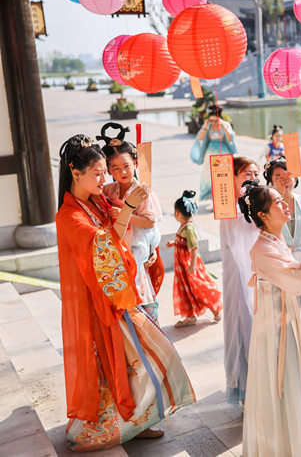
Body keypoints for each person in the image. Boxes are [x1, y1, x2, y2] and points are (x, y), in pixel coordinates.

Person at [55, 134, 194, 451]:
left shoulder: (95, 200)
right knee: (122, 364)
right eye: (98, 173)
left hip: (117, 293)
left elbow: (135, 226)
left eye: (105, 171)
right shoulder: (69, 215)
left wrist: (135, 207)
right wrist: (129, 208)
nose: (104, 178)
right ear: (75, 172)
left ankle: (140, 420)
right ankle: (120, 422)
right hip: (98, 301)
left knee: (147, 357)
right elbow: (103, 248)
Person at [240, 184, 301, 457]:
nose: (285, 203)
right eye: (276, 201)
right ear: (263, 215)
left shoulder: (275, 240)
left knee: (291, 381)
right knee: (281, 383)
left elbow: (299, 274)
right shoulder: (262, 248)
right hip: (276, 328)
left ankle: (294, 442)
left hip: (287, 320)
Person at [98, 122, 164, 321]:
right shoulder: (110, 190)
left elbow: (150, 222)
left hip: (137, 246)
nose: (123, 172)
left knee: (138, 286)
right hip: (119, 245)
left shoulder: (143, 192)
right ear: (109, 170)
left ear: (135, 163)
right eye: (116, 168)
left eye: (126, 166)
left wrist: (125, 214)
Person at [265, 157, 301, 372]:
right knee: (285, 314)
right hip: (281, 266)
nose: (284, 180)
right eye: (278, 177)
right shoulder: (268, 206)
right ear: (270, 181)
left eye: (287, 175)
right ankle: (290, 362)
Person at [220, 157, 260, 405]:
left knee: (259, 325)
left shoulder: (258, 200)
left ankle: (262, 383)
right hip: (237, 275)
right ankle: (245, 389)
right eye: (246, 172)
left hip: (259, 271)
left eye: (255, 172)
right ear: (233, 177)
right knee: (241, 325)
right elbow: (236, 243)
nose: (252, 177)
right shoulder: (228, 208)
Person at [168, 190, 223, 327]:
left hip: (188, 265)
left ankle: (215, 309)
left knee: (198, 288)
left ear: (178, 213)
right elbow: (184, 244)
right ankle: (190, 315)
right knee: (187, 290)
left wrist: (192, 266)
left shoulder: (188, 228)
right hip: (183, 266)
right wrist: (174, 243)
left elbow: (194, 248)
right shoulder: (184, 227)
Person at [190, 105, 237, 201]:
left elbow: (230, 140)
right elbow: (200, 138)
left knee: (223, 175)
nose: (214, 123)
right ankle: (213, 198)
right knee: (209, 175)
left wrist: (224, 128)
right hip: (210, 154)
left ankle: (223, 197)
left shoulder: (225, 125)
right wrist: (206, 126)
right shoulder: (208, 126)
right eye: (212, 120)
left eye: (216, 120)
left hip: (223, 152)